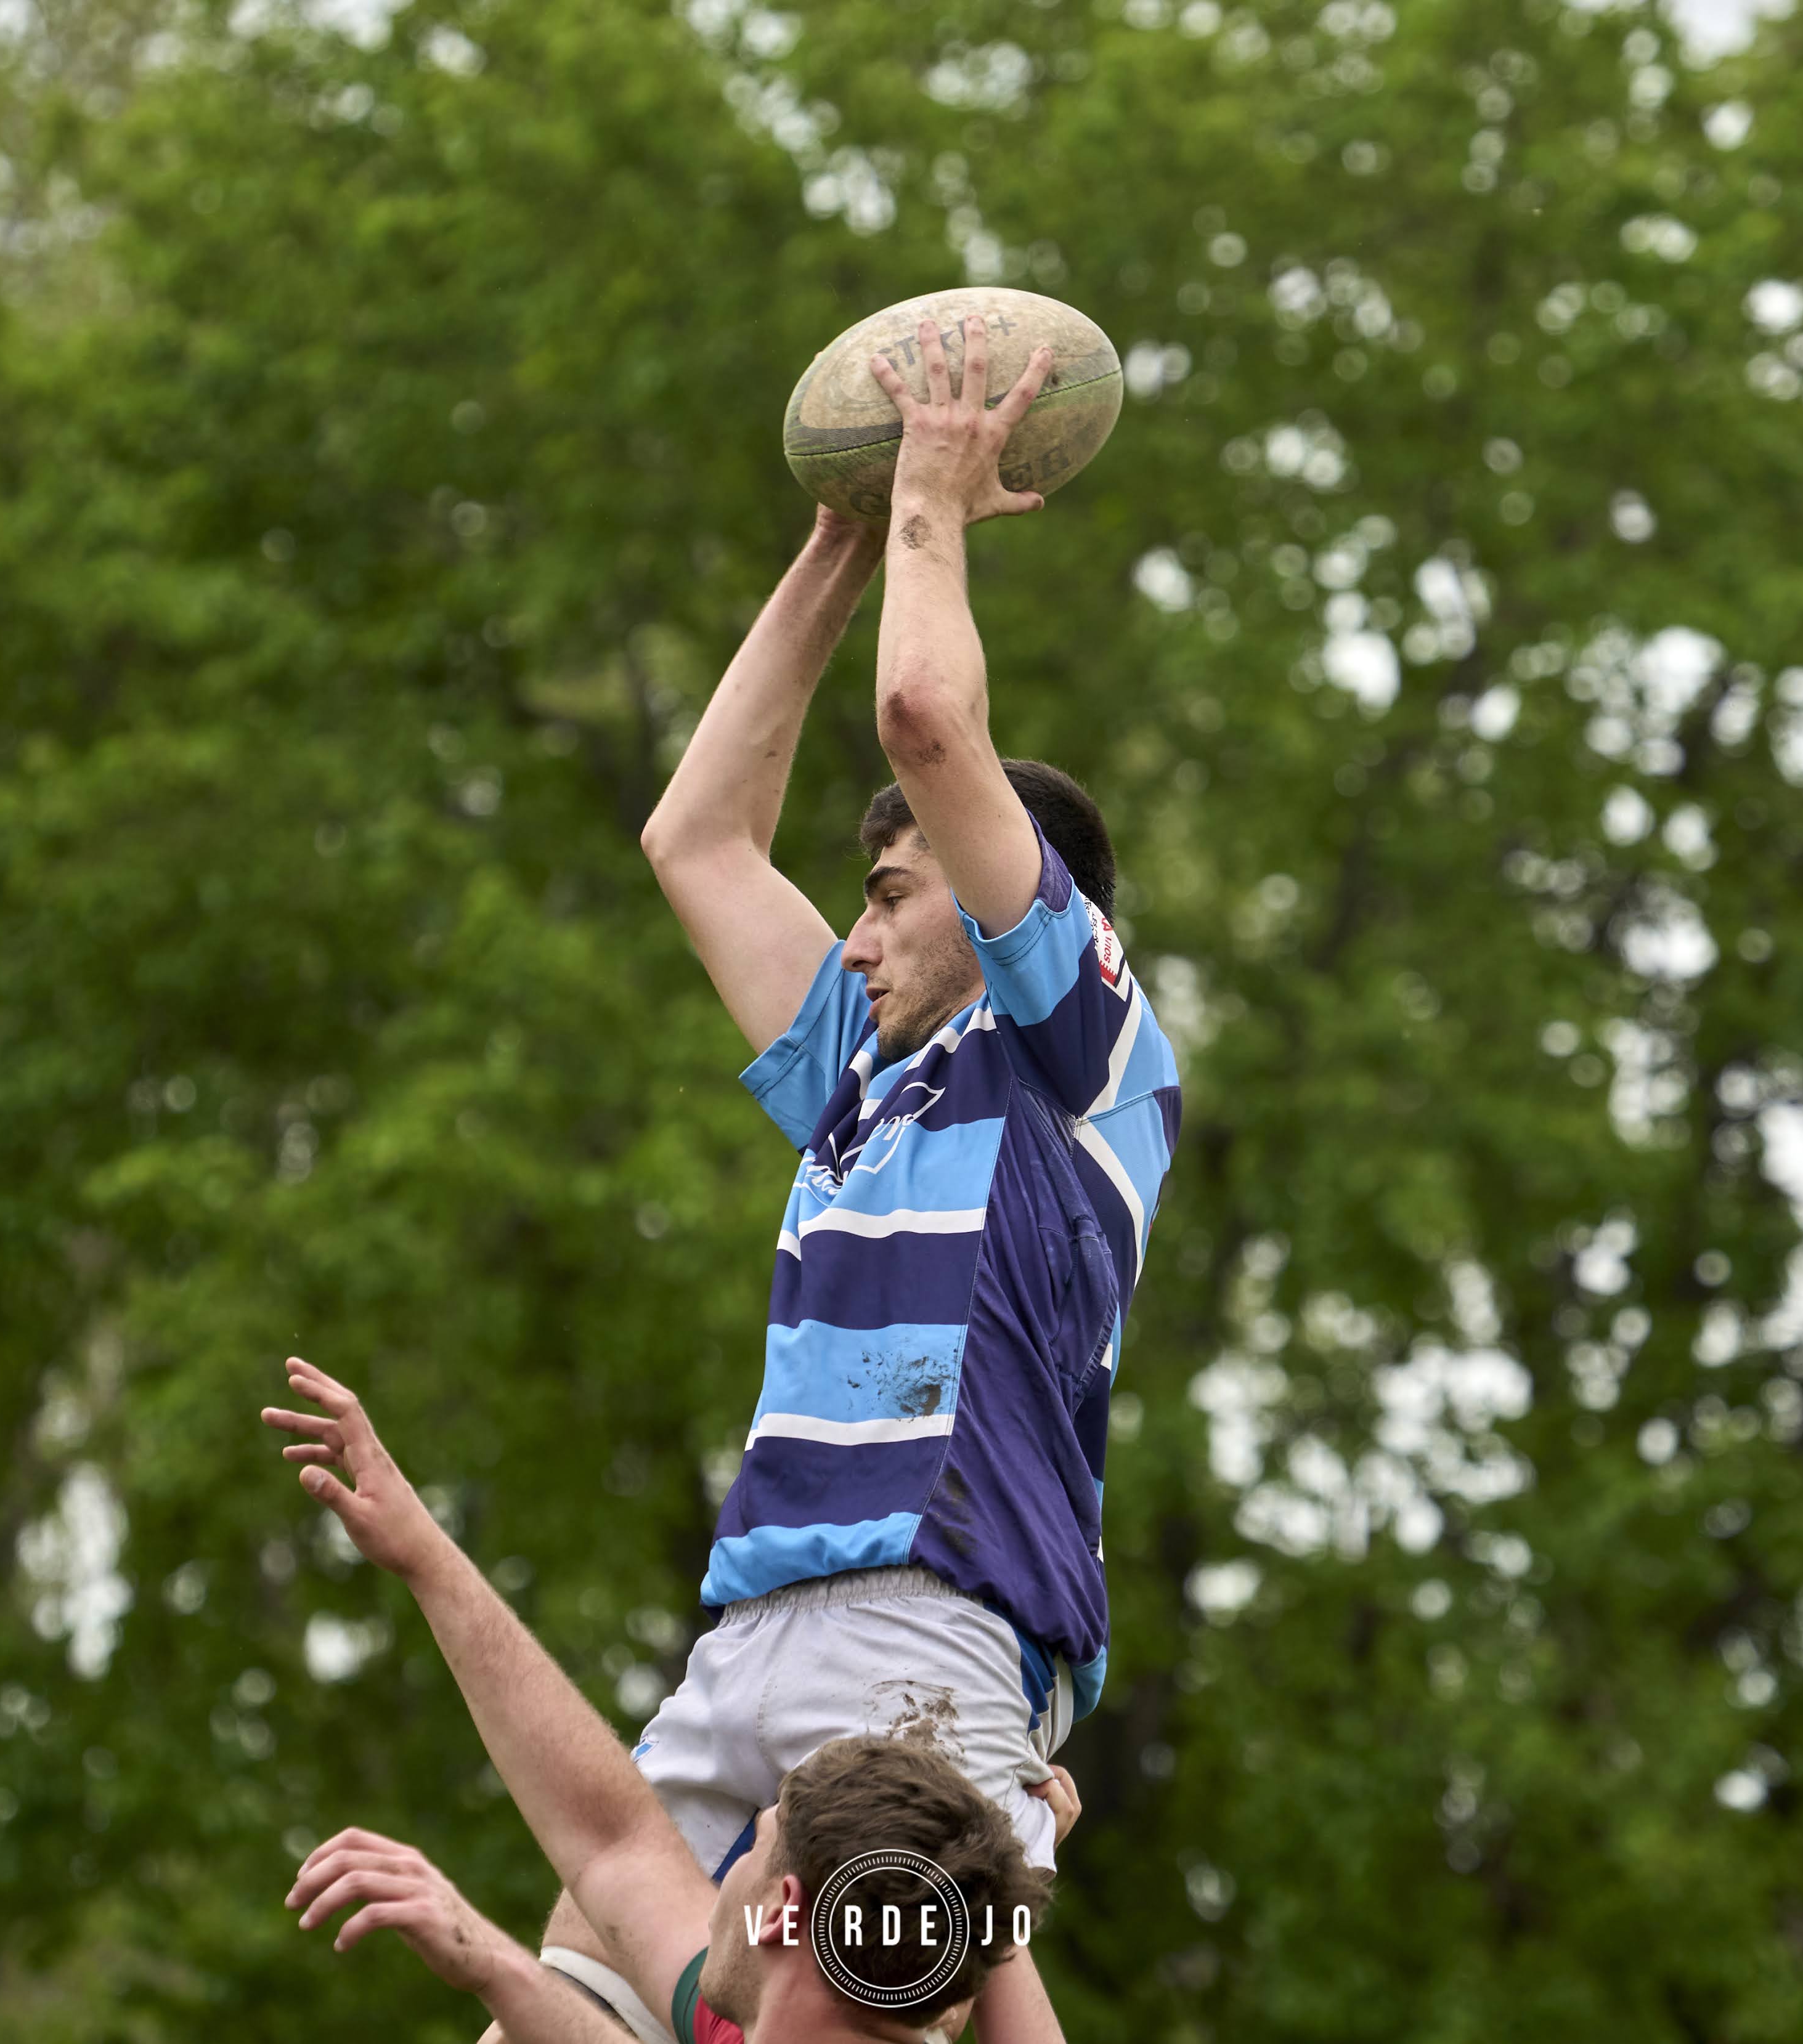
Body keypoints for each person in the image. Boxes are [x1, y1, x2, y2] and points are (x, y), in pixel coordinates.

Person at [476, 310, 1182, 2036]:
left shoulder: (1080, 1062)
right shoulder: (862, 1076)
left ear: (1003, 894)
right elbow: (692, 837)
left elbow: (926, 707)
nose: (854, 928)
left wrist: (934, 494)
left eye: (886, 891)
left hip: (935, 1641)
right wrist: (835, 545)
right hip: (752, 1636)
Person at [271, 1358, 1067, 2043]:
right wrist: (995, 1863)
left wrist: (1005, 1863)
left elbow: (615, 1843)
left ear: (781, 1911)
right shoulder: (776, 2004)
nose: (725, 1862)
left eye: (752, 1846)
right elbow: (611, 1839)